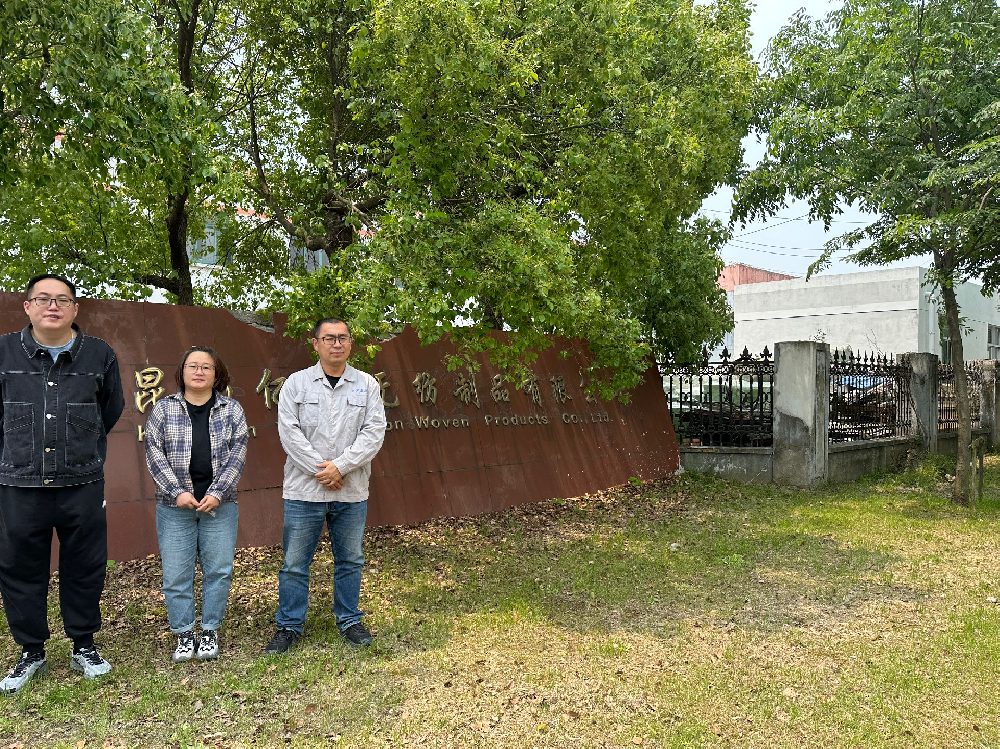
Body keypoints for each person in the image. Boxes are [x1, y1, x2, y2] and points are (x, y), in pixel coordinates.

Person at [0, 274, 124, 694]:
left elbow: (110, 409)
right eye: (43, 298)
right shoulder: (3, 352)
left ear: (75, 308)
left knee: (85, 567)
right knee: (19, 568)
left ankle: (83, 645)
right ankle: (31, 650)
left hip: (81, 482)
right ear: (28, 306)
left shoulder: (99, 354)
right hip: (19, 485)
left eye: (62, 299)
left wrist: (79, 447)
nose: (52, 306)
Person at [265, 318, 386, 653]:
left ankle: (349, 620)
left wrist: (341, 467)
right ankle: (289, 625)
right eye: (329, 338)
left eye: (342, 338)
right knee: (294, 563)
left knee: (350, 560)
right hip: (304, 491)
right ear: (315, 343)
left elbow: (374, 432)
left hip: (351, 489)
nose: (336, 344)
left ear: (351, 343)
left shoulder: (366, 384)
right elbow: (289, 433)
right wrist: (323, 471)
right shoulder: (297, 383)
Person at [144, 347, 248, 664]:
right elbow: (154, 453)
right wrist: (177, 492)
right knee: (177, 574)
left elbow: (237, 455)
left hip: (220, 506)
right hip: (175, 507)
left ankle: (210, 630)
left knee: (218, 571)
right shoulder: (164, 409)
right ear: (182, 372)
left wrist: (217, 492)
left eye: (207, 367)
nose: (199, 371)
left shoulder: (232, 410)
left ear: (217, 375)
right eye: (193, 366)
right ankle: (185, 633)